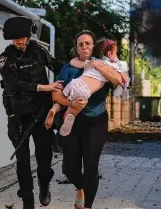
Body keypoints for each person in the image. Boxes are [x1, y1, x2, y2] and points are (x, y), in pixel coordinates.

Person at [0, 16, 64, 209]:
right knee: (23, 161)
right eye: (16, 38)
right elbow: (14, 84)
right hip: (18, 117)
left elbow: (56, 65)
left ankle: (44, 186)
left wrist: (80, 67)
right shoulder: (4, 59)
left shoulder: (39, 51)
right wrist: (43, 88)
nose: (20, 40)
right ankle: (28, 199)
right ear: (11, 38)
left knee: (44, 159)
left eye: (23, 37)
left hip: (42, 114)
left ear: (28, 36)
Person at [52, 30, 123, 209]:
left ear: (94, 46)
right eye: (81, 44)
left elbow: (118, 80)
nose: (84, 47)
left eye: (88, 43)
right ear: (76, 48)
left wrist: (97, 66)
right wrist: (71, 103)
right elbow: (55, 94)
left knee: (91, 165)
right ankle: (80, 187)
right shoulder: (68, 69)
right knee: (69, 167)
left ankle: (88, 206)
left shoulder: (104, 64)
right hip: (73, 120)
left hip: (96, 121)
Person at [45, 39, 129, 136]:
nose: (117, 56)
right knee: (75, 108)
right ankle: (68, 117)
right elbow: (123, 79)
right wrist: (125, 79)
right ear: (110, 53)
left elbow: (74, 62)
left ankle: (54, 110)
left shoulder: (92, 61)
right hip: (85, 91)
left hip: (75, 83)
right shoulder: (113, 66)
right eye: (116, 54)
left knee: (62, 99)